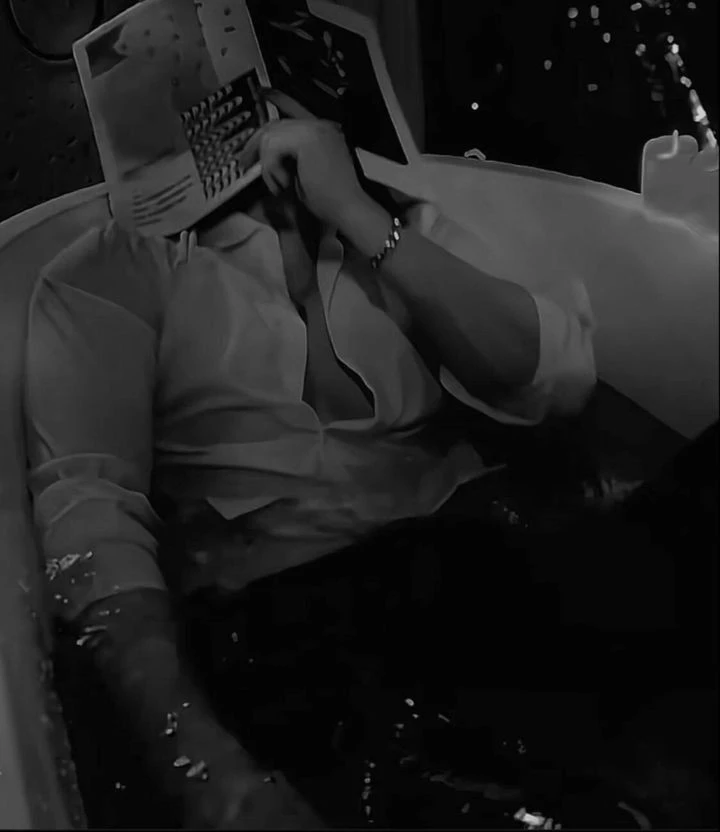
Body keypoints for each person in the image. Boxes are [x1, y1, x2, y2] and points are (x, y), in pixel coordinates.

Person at [24, 90, 596, 830]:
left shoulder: (391, 217)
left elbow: (556, 381)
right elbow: (91, 521)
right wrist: (213, 778)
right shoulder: (112, 268)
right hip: (294, 637)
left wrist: (358, 215)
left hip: (470, 573)